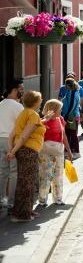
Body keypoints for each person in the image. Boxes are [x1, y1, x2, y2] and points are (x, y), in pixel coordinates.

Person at [7, 91, 49, 222]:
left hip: (23, 151)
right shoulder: (33, 114)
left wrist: (12, 150)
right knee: (27, 182)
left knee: (24, 180)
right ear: (36, 102)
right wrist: (12, 152)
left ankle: (26, 210)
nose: (41, 101)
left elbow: (11, 135)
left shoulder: (24, 113)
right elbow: (24, 136)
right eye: (40, 99)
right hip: (28, 151)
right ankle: (22, 215)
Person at [38, 99, 72, 206]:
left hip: (59, 151)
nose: (61, 111)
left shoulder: (60, 119)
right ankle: (42, 199)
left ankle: (58, 198)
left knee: (58, 175)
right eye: (59, 109)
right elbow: (37, 135)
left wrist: (69, 151)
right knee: (46, 175)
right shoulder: (43, 121)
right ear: (52, 109)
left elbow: (64, 136)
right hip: (45, 152)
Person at [0, 79, 24, 212]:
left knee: (2, 171)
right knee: (13, 172)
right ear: (14, 90)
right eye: (20, 89)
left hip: (0, 139)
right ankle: (11, 202)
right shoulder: (17, 106)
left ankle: (1, 199)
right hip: (11, 141)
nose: (22, 92)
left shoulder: (1, 104)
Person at [61, 79, 81, 159]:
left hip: (71, 117)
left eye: (65, 85)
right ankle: (67, 150)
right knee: (68, 134)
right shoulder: (70, 92)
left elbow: (71, 106)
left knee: (73, 135)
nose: (65, 86)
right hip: (69, 116)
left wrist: (65, 117)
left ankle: (76, 152)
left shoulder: (73, 93)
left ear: (68, 85)